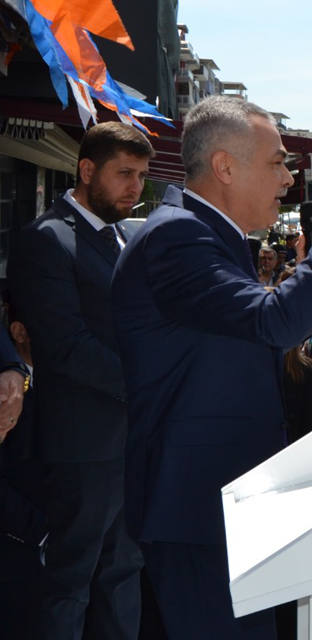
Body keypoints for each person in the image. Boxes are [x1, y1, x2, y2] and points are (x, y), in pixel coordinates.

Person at [111, 97, 312, 637]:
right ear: (225, 167)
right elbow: (276, 322)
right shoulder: (177, 235)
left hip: (222, 503)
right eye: (277, 162)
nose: (288, 178)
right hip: (196, 508)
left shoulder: (212, 236)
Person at [9, 120, 153, 639]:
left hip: (129, 441)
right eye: (124, 174)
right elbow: (66, 348)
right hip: (81, 449)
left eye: (141, 175)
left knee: (122, 576)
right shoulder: (45, 240)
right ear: (87, 169)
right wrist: (147, 382)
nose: (135, 187)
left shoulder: (126, 236)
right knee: (69, 583)